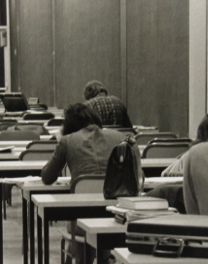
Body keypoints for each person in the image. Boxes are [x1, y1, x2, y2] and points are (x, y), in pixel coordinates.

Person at [41, 103, 138, 264]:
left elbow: (47, 177)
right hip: (117, 215)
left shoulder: (67, 141)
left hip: (82, 218)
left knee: (79, 218)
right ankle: (104, 258)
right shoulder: (121, 138)